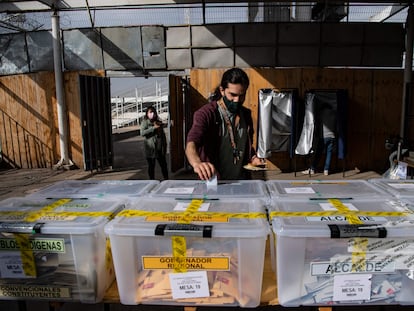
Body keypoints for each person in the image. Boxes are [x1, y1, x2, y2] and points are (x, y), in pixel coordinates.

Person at [185, 67, 264, 180]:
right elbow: (191, 144)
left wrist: (253, 158)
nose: (237, 100)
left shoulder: (246, 115)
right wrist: (197, 163)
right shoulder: (206, 114)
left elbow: (245, 145)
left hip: (242, 184)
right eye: (233, 95)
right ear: (222, 90)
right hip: (215, 183)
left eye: (242, 95)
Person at [302, 101, 337, 176]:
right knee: (329, 154)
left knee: (318, 153)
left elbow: (315, 123)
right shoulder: (334, 114)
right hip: (332, 136)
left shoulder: (321, 114)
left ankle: (312, 168)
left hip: (323, 136)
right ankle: (326, 170)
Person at [140, 106, 169, 180]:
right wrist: (153, 128)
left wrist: (165, 146)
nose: (152, 114)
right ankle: (151, 180)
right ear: (147, 113)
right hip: (151, 148)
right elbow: (142, 133)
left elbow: (162, 135)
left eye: (153, 112)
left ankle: (166, 179)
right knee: (151, 166)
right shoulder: (145, 122)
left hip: (159, 147)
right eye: (150, 112)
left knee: (163, 165)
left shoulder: (158, 121)